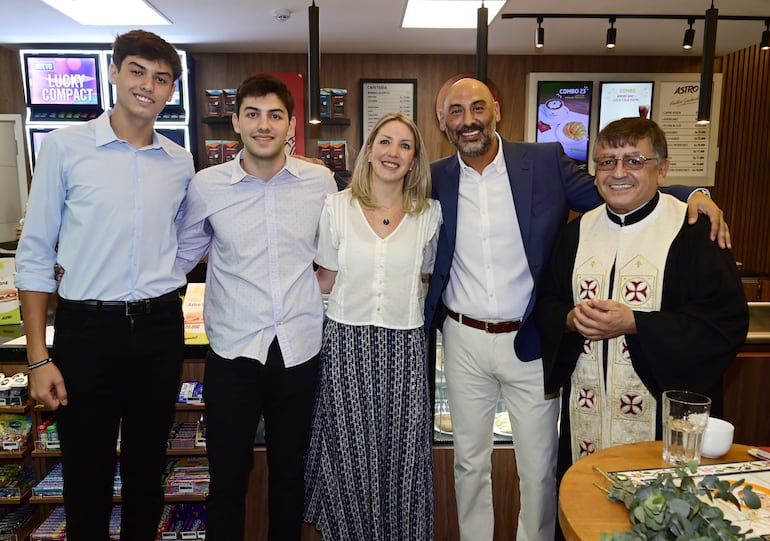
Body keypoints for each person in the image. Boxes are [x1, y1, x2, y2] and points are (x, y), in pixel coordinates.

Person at [423, 77, 730, 541]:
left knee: (539, 466)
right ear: (442, 121)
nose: (469, 120)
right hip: (462, 339)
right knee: (467, 461)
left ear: (497, 110)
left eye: (477, 107)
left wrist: (693, 195)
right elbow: (376, 185)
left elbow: (619, 188)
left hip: (529, 338)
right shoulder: (435, 175)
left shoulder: (543, 162)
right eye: (456, 111)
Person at [14, 30, 194, 541]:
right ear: (113, 73)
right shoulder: (66, 148)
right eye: (137, 71)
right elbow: (36, 254)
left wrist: (167, 277)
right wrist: (37, 356)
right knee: (85, 474)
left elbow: (183, 240)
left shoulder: (179, 162)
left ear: (170, 91)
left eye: (162, 78)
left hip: (159, 327)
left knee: (146, 472)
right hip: (85, 330)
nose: (148, 86)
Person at [534, 117, 748, 476]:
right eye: (607, 162)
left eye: (634, 160)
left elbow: (724, 324)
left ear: (662, 169)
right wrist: (569, 320)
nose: (618, 172)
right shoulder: (576, 232)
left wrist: (635, 323)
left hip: (663, 419)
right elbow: (547, 304)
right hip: (586, 416)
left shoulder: (694, 231)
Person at [175, 73, 337, 541]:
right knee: (226, 481)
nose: (263, 125)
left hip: (299, 352)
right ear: (236, 122)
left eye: (274, 115)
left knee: (290, 478)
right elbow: (182, 257)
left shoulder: (320, 182)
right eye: (253, 114)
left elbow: (333, 257)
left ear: (290, 126)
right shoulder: (208, 186)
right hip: (232, 354)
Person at [303, 112, 441, 540]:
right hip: (345, 344)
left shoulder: (429, 215)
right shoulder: (336, 208)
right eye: (385, 142)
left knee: (402, 456)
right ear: (369, 150)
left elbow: (429, 277)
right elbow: (323, 278)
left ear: (415, 160)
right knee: (348, 453)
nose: (393, 153)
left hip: (405, 349)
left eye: (404, 146)